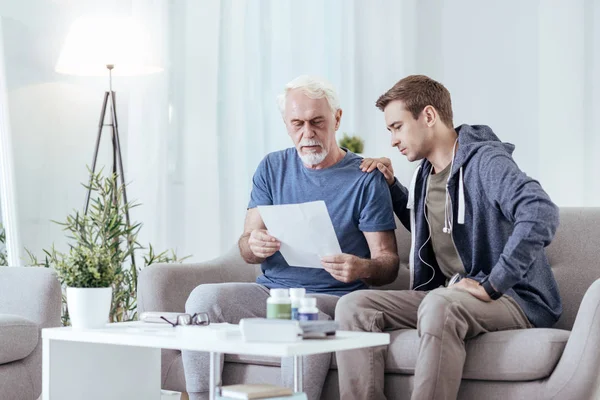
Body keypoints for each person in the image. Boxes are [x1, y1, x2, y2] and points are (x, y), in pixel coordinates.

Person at [335, 75, 562, 400]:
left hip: (512, 298)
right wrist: (393, 187)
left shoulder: (486, 162)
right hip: (448, 293)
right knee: (353, 306)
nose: (392, 141)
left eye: (397, 127)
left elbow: (541, 212)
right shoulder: (425, 176)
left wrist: (492, 283)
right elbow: (437, 231)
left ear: (428, 116)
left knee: (440, 305)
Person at [181, 75, 400, 400]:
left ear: (336, 119)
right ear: (286, 123)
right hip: (272, 294)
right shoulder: (272, 168)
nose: (307, 133)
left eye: (317, 122)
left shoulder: (365, 178)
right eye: (297, 123)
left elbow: (389, 264)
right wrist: (254, 244)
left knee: (301, 323)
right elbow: (245, 246)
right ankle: (199, 396)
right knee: (203, 299)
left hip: (330, 300)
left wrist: (360, 267)